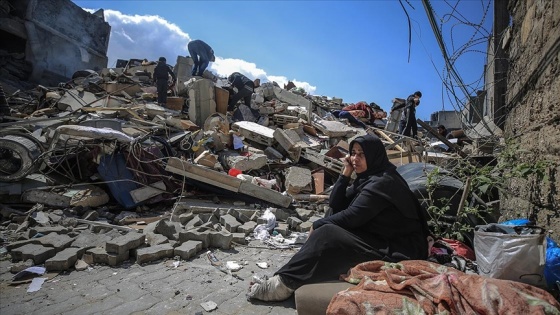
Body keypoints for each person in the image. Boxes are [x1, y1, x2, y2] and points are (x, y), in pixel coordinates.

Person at [247, 134, 431, 302]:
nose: (355, 158)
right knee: (331, 217)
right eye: (353, 153)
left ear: (374, 156)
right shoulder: (369, 178)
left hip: (397, 248)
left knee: (327, 233)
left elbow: (352, 218)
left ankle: (282, 285)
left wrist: (318, 225)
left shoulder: (382, 183)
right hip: (378, 236)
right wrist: (345, 173)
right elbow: (336, 204)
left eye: (362, 154)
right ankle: (288, 274)